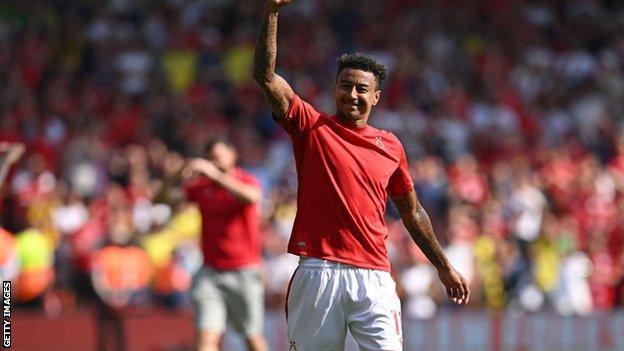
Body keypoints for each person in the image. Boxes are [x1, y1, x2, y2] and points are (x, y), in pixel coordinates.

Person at [253, 1, 470, 350]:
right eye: (345, 85)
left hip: (374, 277)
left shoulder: (391, 147)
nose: (351, 95)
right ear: (335, 87)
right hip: (318, 271)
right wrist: (272, 13)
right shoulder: (312, 127)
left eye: (361, 89)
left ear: (377, 97)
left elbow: (412, 212)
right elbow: (265, 77)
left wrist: (443, 266)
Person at [157, 137, 266, 351]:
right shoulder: (201, 187)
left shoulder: (245, 180)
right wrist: (175, 176)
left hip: (243, 270)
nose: (213, 162)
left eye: (217, 156)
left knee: (252, 337)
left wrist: (215, 175)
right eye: (210, 159)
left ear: (232, 155)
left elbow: (252, 197)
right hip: (211, 271)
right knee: (207, 336)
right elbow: (162, 199)